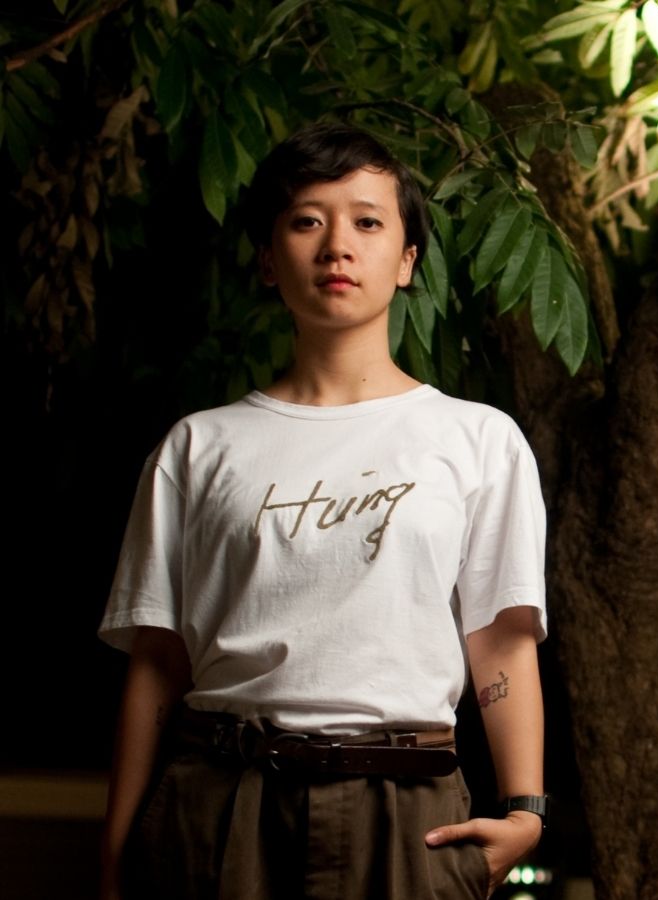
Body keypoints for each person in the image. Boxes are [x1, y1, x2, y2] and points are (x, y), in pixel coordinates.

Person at [98, 121, 548, 900]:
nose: (337, 246)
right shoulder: (199, 447)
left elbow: (500, 640)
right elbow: (158, 662)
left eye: (368, 222)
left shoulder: (478, 439)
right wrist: (112, 859)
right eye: (307, 220)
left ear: (407, 261)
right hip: (221, 800)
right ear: (269, 261)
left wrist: (527, 812)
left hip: (406, 810)